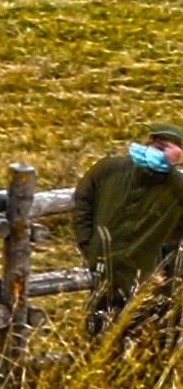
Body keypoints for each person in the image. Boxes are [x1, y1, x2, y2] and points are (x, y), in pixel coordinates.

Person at [81, 127, 183, 339]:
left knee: (143, 330)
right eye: (157, 143)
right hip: (109, 266)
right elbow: (83, 207)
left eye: (169, 145)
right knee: (101, 327)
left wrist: (163, 266)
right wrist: (89, 246)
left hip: (149, 273)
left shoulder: (177, 186)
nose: (160, 148)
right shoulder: (111, 171)